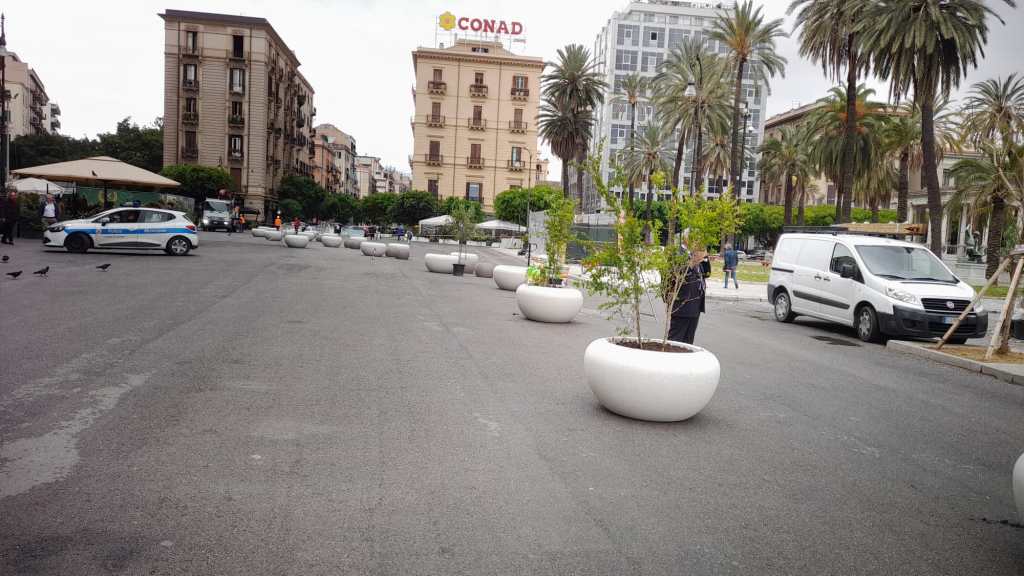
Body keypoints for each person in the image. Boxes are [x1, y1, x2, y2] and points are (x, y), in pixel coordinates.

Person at [668, 246, 708, 345]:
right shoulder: (680, 256)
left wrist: (705, 259)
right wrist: (693, 261)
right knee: (675, 341)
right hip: (682, 307)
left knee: (688, 342)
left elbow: (707, 273)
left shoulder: (699, 259)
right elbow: (672, 278)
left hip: (695, 307)